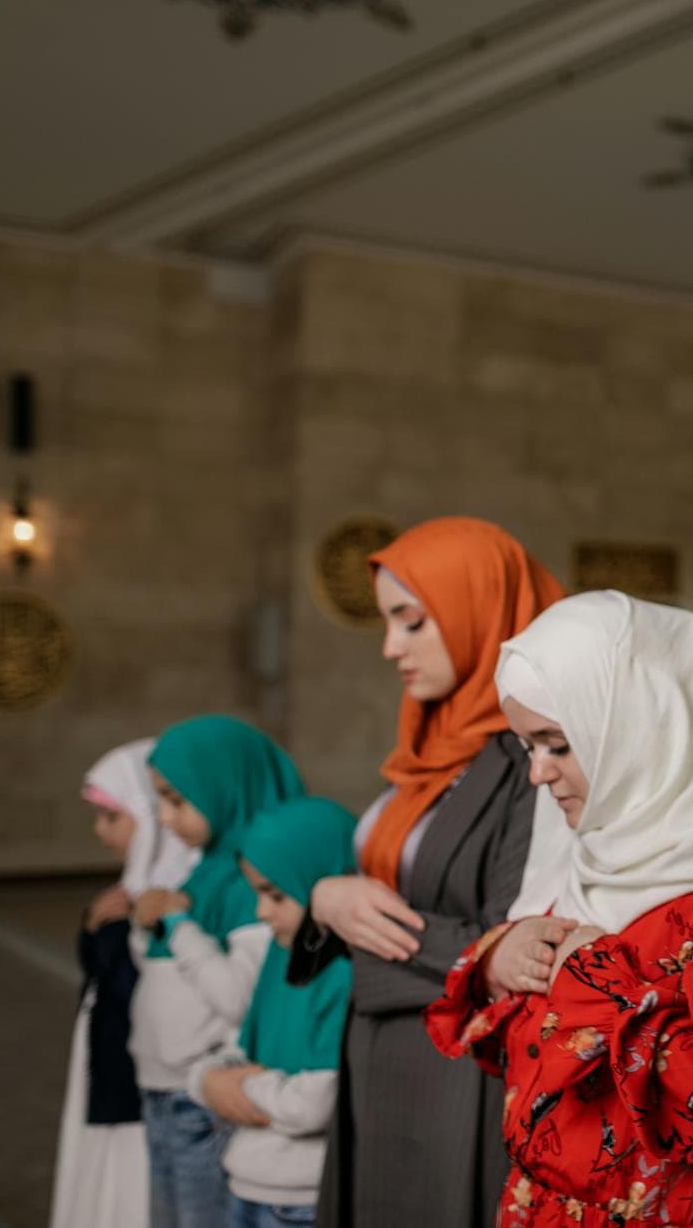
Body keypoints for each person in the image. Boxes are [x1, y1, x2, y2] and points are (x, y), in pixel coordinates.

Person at [425, 590, 693, 1226]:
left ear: (637, 726)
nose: (537, 774)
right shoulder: (578, 852)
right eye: (527, 747)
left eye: (557, 744)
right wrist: (501, 957)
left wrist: (602, 984)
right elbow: (527, 1050)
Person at [288, 516, 566, 1226]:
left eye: (412, 622)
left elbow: (511, 944)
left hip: (454, 1069)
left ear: (481, 607)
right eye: (388, 624)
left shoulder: (536, 757)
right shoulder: (425, 751)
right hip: (379, 1054)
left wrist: (349, 930)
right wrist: (327, 897)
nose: (391, 648)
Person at [131, 716, 305, 1228]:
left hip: (201, 1098)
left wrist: (177, 922)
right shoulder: (202, 869)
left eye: (177, 801)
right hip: (166, 1088)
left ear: (225, 788)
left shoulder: (252, 883)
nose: (164, 817)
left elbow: (238, 997)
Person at [189, 796, 357, 1228]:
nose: (262, 913)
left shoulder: (345, 976)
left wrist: (238, 1088)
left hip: (300, 1200)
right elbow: (229, 1051)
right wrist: (210, 1080)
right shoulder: (279, 958)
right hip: (246, 1179)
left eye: (275, 895)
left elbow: (312, 1105)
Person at [51, 738, 198, 1228]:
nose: (100, 832)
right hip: (112, 1064)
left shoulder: (175, 893)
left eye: (111, 817)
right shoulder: (128, 890)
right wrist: (96, 926)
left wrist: (108, 931)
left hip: (146, 1077)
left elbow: (138, 988)